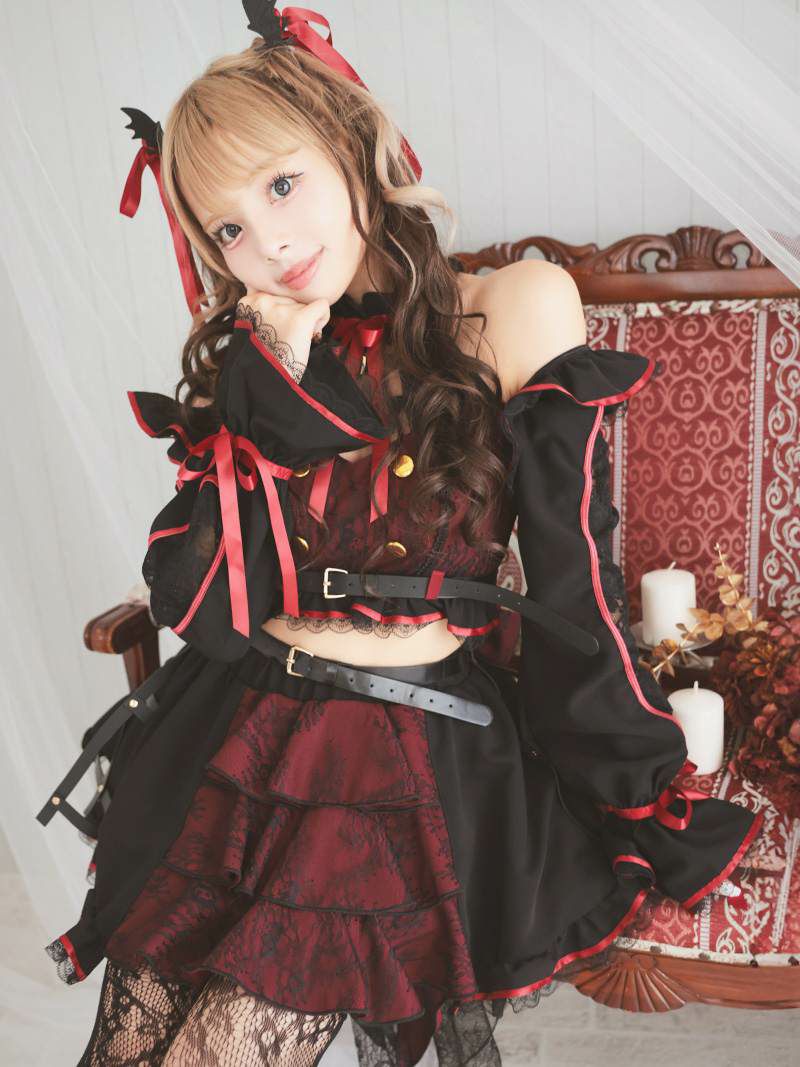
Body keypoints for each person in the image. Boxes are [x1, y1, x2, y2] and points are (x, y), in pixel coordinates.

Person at [37, 5, 765, 1066]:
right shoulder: (263, 351)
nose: (266, 243)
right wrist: (271, 385)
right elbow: (206, 610)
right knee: (119, 1052)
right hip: (236, 732)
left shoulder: (511, 307)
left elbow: (573, 583)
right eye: (226, 229)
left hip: (397, 750)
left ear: (349, 145)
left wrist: (636, 780)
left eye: (280, 184)